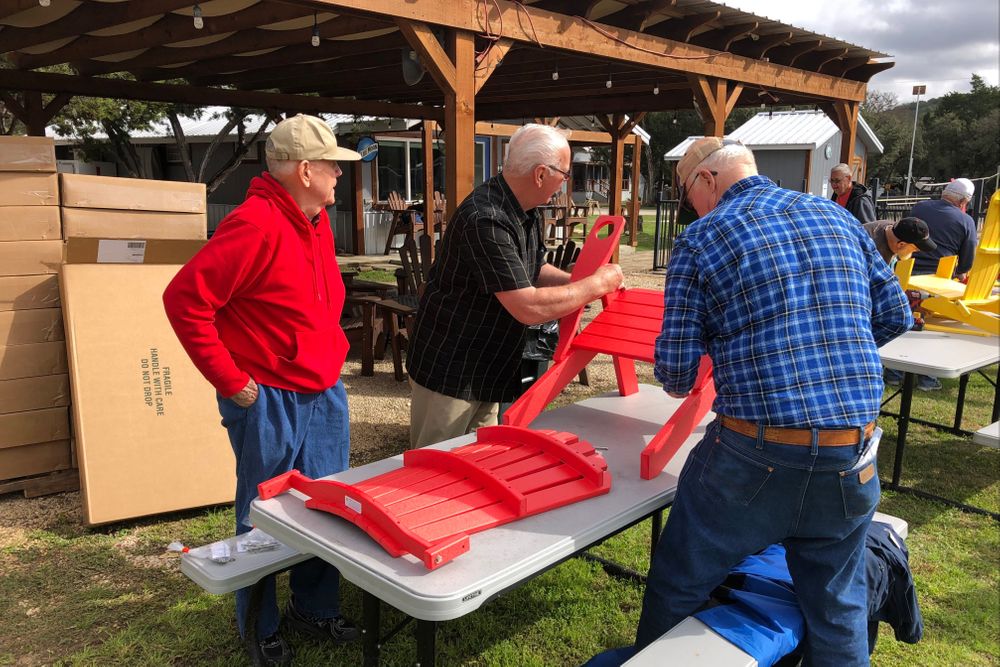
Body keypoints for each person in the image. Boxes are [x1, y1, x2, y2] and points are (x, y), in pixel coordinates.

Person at [637, 137, 912, 665]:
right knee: (836, 607)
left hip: (752, 455)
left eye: (685, 194)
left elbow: (674, 374)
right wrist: (827, 347)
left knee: (679, 583)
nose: (688, 208)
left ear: (708, 180)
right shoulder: (837, 218)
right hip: (851, 455)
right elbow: (894, 315)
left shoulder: (702, 238)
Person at [163, 114, 361, 665]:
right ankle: (259, 624)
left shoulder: (313, 217)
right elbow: (184, 301)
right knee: (264, 513)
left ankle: (314, 605)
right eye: (333, 166)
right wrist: (233, 382)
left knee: (325, 506)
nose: (340, 176)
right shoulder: (255, 224)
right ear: (304, 170)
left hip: (321, 391)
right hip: (270, 396)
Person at [405, 123, 624, 448]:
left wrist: (575, 283)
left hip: (487, 366)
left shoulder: (524, 210)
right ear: (540, 174)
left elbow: (532, 270)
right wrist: (592, 285)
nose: (565, 183)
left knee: (479, 461)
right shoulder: (487, 218)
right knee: (435, 469)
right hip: (451, 371)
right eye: (564, 174)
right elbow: (527, 306)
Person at [909, 178, 978, 279]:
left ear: (944, 193)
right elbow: (968, 257)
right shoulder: (966, 221)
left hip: (908, 269)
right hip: (940, 275)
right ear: (963, 201)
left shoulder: (919, 207)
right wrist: (961, 271)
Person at [863, 216, 936, 268]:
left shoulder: (894, 228)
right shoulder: (872, 253)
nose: (918, 250)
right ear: (901, 244)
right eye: (916, 248)